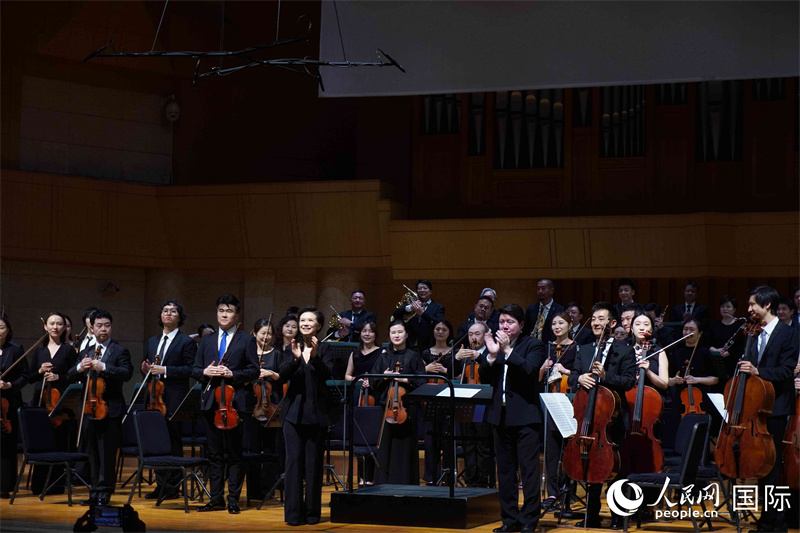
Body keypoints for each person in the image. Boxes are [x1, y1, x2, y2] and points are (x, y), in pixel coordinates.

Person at [567, 302, 636, 529]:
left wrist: (606, 376)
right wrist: (578, 379)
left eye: (601, 319)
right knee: (591, 466)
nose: (596, 323)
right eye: (594, 318)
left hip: (612, 419)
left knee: (616, 469)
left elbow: (628, 382)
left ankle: (618, 516)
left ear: (613, 323)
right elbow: (573, 375)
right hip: (588, 418)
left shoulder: (624, 350)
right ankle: (591, 515)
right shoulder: (585, 348)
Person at [737, 286, 798, 533]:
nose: (749, 309)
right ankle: (766, 520)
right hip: (755, 408)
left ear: (767, 305)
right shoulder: (753, 332)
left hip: (776, 408)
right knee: (762, 466)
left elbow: (786, 370)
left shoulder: (788, 333)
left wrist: (758, 371)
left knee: (773, 467)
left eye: (752, 304)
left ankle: (777, 523)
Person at [480, 304, 545, 533]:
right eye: (501, 322)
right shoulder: (496, 346)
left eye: (510, 322)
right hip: (500, 416)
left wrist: (507, 350)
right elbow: (485, 377)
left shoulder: (533, 344)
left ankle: (529, 520)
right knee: (505, 472)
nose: (505, 326)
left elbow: (530, 371)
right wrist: (491, 355)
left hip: (525, 418)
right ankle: (509, 519)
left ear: (521, 324)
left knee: (528, 471)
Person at [193, 294, 258, 514]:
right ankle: (216, 499)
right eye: (221, 310)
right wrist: (205, 371)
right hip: (211, 402)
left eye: (229, 311)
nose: (224, 314)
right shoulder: (207, 340)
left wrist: (233, 374)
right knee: (214, 453)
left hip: (235, 403)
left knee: (234, 453)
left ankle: (233, 499)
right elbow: (194, 369)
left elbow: (254, 370)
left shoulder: (246, 340)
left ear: (237, 315)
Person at [69, 309, 133, 506]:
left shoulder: (119, 350)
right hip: (89, 409)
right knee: (93, 454)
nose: (103, 329)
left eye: (106, 325)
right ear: (92, 328)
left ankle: (105, 492)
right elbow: (70, 374)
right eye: (99, 326)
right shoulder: (85, 350)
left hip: (110, 409)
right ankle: (94, 490)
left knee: (106, 453)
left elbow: (126, 373)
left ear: (111, 327)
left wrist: (104, 367)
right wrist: (80, 367)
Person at [279, 307, 333, 527]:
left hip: (317, 414)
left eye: (310, 320)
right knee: (293, 464)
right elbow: (282, 375)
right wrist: (295, 360)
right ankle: (293, 514)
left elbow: (328, 374)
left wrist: (315, 357)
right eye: (302, 320)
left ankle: (312, 513)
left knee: (313, 464)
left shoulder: (326, 348)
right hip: (293, 414)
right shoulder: (291, 347)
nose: (305, 323)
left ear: (318, 325)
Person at [140, 300, 197, 500]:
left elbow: (191, 369)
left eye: (173, 311)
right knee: (157, 442)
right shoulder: (152, 341)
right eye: (165, 311)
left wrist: (165, 370)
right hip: (154, 398)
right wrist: (146, 370)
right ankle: (161, 485)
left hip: (174, 399)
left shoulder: (186, 341)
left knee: (172, 441)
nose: (168, 314)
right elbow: (148, 367)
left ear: (179, 317)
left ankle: (173, 487)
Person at [370, 320, 425, 485]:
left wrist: (405, 379)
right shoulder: (384, 356)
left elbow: (422, 382)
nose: (396, 335)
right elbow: (373, 383)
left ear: (406, 334)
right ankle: (384, 484)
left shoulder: (413, 356)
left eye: (400, 332)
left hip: (407, 408)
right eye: (393, 332)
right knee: (386, 446)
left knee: (406, 446)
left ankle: (406, 483)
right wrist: (384, 377)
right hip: (387, 407)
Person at [28, 312, 78, 494]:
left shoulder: (68, 350)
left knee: (59, 442)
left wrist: (59, 377)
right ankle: (38, 485)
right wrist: (40, 371)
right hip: (40, 400)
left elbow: (75, 376)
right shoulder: (39, 350)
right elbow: (30, 377)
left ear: (64, 328)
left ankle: (56, 485)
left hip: (60, 402)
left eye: (59, 324)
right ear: (45, 327)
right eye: (52, 323)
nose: (55, 327)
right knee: (41, 442)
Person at [665, 318, 725, 445]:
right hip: (680, 400)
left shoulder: (705, 352)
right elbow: (667, 381)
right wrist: (674, 380)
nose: (687, 332)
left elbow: (715, 379)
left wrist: (696, 380)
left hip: (701, 399)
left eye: (691, 330)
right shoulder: (676, 353)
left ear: (700, 333)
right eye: (685, 329)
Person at [538, 311, 577, 506]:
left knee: (569, 447)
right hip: (549, 400)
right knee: (551, 449)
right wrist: (543, 368)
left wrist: (565, 370)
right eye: (554, 324)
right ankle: (552, 493)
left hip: (569, 399)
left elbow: (580, 374)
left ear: (570, 325)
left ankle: (568, 491)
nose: (557, 327)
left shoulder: (576, 348)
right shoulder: (546, 348)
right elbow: (537, 378)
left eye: (561, 323)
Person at [246, 317, 285, 498]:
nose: (266, 337)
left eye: (269, 333)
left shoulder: (277, 354)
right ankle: (253, 490)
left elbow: (283, 376)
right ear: (254, 333)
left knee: (271, 447)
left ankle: (268, 488)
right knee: (252, 448)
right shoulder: (248, 353)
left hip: (271, 404)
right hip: (251, 405)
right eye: (262, 333)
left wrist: (272, 373)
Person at [455, 322, 493, 487]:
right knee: (468, 443)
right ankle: (471, 479)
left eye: (477, 334)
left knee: (483, 444)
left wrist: (479, 357)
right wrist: (456, 358)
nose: (473, 337)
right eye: (470, 334)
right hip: (466, 403)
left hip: (483, 403)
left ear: (485, 336)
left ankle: (483, 480)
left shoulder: (490, 353)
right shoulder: (463, 355)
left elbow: (493, 372)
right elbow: (450, 372)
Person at [343, 321, 381, 485]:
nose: (367, 334)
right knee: (359, 435)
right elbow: (347, 375)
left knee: (372, 435)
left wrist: (371, 380)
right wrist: (358, 379)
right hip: (359, 397)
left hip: (374, 396)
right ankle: (361, 477)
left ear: (375, 334)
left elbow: (383, 373)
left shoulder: (382, 353)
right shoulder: (355, 354)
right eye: (364, 331)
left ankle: (372, 477)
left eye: (370, 331)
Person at [421, 319, 457, 484]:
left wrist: (445, 370)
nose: (440, 332)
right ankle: (431, 477)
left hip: (449, 400)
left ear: (449, 332)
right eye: (437, 329)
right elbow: (418, 375)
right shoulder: (425, 353)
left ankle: (448, 477)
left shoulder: (455, 352)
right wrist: (426, 369)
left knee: (448, 439)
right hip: (430, 401)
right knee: (430, 440)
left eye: (444, 329)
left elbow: (460, 375)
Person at [0, 315, 28, 499]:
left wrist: (10, 385)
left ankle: (5, 485)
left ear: (8, 330)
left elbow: (25, 376)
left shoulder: (16, 349)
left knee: (6, 445)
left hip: (8, 404)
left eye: (1, 327)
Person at [392, 279, 445, 351]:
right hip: (410, 345)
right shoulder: (410, 305)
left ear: (430, 292)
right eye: (419, 288)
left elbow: (440, 323)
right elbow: (395, 315)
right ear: (416, 292)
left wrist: (422, 314)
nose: (422, 290)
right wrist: (409, 308)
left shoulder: (438, 307)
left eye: (425, 288)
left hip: (429, 345)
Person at [709, 295, 745, 379]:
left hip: (733, 363)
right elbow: (707, 343)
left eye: (728, 307)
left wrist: (729, 353)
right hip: (716, 362)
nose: (725, 309)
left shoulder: (740, 327)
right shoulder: (714, 326)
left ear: (734, 309)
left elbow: (741, 347)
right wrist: (715, 350)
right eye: (722, 307)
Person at [523, 279, 564, 343]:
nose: (540, 291)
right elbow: (526, 329)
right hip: (532, 343)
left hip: (550, 344)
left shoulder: (559, 309)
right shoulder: (531, 308)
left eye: (543, 288)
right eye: (538, 289)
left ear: (552, 290)